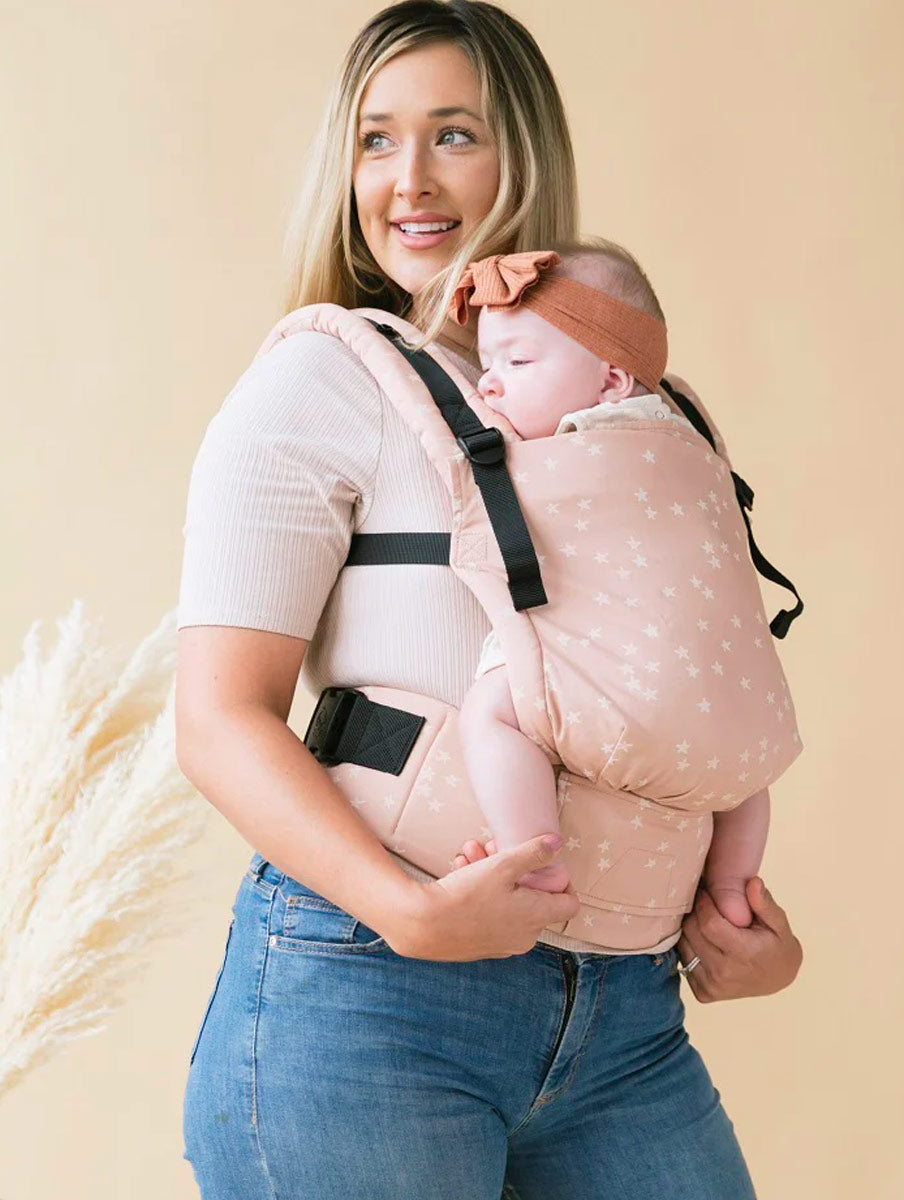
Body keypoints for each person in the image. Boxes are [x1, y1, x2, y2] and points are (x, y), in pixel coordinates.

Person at [176, 3, 803, 1197]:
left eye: (453, 134)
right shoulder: (315, 379)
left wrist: (731, 912)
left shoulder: (635, 410)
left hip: (625, 1017)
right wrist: (405, 913)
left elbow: (674, 689)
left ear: (523, 152)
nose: (408, 179)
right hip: (369, 999)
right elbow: (217, 719)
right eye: (374, 140)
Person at [454, 243, 776, 928]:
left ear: (609, 385)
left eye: (517, 361)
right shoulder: (691, 439)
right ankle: (731, 889)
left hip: (617, 687)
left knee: (492, 710)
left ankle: (533, 858)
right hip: (729, 706)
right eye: (485, 367)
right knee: (745, 781)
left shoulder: (568, 443)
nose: (489, 386)